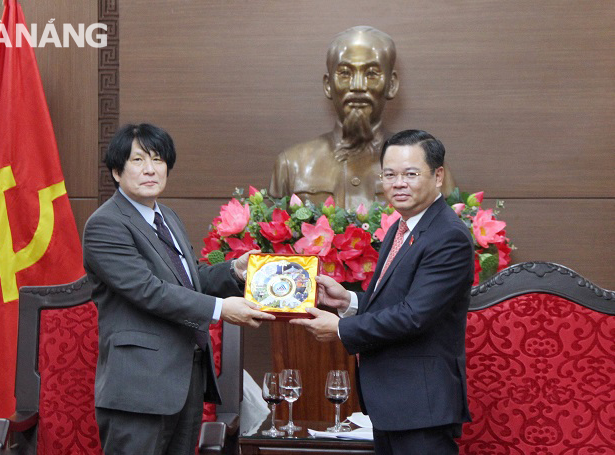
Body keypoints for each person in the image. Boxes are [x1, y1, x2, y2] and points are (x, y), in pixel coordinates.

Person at [82, 123, 275, 455]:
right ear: (116, 171)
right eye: (138, 160)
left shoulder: (167, 216)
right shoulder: (105, 224)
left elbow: (188, 278)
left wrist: (235, 270)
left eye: (158, 160)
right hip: (139, 387)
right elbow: (148, 290)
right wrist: (221, 309)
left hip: (185, 379)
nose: (150, 169)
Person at [291, 129, 473, 454]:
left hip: (421, 407)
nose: (398, 183)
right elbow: (397, 301)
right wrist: (347, 301)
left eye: (410, 174)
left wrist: (340, 329)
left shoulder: (449, 236)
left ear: (438, 175)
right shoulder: (402, 228)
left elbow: (414, 315)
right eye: (389, 174)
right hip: (394, 404)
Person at [269, 26, 455, 209]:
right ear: (328, 85)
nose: (358, 86)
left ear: (391, 85)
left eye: (372, 74)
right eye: (345, 73)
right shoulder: (291, 165)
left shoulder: (429, 163)